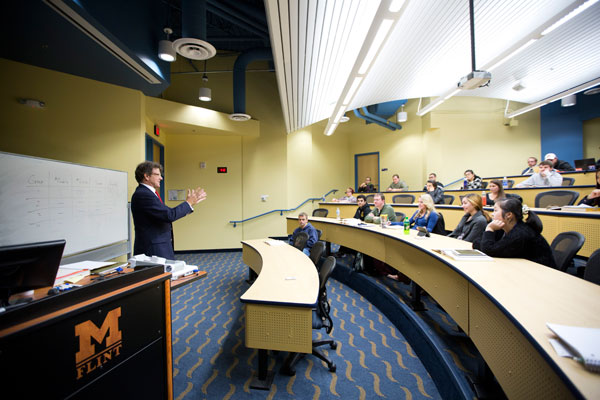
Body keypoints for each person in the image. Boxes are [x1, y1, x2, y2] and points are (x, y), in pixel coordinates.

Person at [131, 161, 207, 259]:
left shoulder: (149, 193)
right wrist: (189, 203)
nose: (161, 178)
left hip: (157, 246)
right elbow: (169, 215)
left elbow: (166, 213)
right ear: (146, 176)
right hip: (153, 249)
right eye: (157, 174)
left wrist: (190, 204)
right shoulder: (143, 194)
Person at [475, 198, 556, 268]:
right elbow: (477, 243)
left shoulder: (520, 233)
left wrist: (489, 228)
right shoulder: (502, 228)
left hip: (543, 275)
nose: (492, 214)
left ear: (509, 215)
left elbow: (488, 250)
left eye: (495, 210)